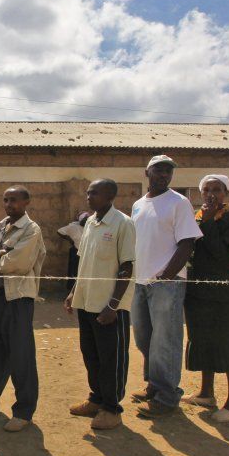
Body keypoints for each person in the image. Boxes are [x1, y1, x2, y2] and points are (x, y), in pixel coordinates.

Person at [129, 155, 203, 419]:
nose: (164, 175)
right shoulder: (138, 204)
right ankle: (154, 384)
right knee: (144, 337)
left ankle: (167, 396)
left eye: (168, 171)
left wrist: (168, 274)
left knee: (166, 340)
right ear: (146, 172)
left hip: (166, 283)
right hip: (141, 281)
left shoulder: (179, 202)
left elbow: (187, 243)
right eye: (159, 170)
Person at [64, 180, 135, 430]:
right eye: (88, 192)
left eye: (94, 192)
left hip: (109, 306)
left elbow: (127, 266)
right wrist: (74, 293)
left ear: (110, 196)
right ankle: (96, 399)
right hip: (87, 302)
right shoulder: (91, 223)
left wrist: (113, 305)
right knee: (91, 354)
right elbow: (83, 263)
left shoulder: (123, 224)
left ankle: (112, 408)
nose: (88, 196)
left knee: (111, 358)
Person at [0, 185, 47, 433]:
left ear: (26, 202)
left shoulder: (31, 230)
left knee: (21, 354)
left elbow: (16, 263)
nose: (9, 205)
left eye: (14, 200)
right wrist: (0, 254)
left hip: (18, 299)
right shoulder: (0, 227)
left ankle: (24, 410)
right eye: (6, 200)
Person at [180, 175, 229, 422]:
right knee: (202, 338)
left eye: (217, 190)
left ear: (226, 193)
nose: (211, 194)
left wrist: (208, 223)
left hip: (226, 290)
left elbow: (223, 252)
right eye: (207, 189)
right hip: (199, 289)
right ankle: (206, 392)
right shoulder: (195, 216)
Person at [58, 212, 89, 293]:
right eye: (84, 220)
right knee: (74, 272)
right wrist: (70, 239)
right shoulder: (73, 226)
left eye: (87, 220)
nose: (85, 222)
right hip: (76, 252)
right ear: (80, 220)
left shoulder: (89, 227)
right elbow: (60, 231)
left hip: (86, 253)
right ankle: (72, 293)